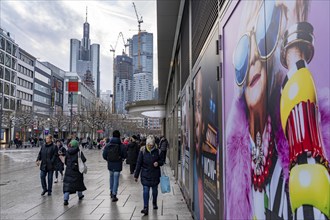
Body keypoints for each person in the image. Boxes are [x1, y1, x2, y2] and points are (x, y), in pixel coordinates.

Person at [225, 1, 329, 219]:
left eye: (264, 36)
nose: (253, 56)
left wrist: (294, 52)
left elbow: (313, 210)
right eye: (244, 49)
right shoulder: (236, 159)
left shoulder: (305, 128)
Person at [134, 135, 164, 216]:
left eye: (152, 145)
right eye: (149, 145)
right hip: (145, 174)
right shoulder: (142, 151)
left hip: (155, 174)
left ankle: (154, 202)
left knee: (154, 191)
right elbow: (139, 163)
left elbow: (162, 161)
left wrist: (158, 163)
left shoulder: (158, 151)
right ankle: (145, 207)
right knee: (146, 190)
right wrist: (136, 175)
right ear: (146, 144)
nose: (150, 146)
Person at [102, 130, 127, 202]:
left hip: (110, 164)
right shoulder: (121, 145)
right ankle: (114, 194)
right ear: (119, 136)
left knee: (111, 178)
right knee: (116, 179)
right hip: (118, 164)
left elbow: (104, 155)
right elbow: (125, 155)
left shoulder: (108, 145)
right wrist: (121, 158)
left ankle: (111, 191)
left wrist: (108, 159)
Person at [63, 140, 87, 206]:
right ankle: (80, 195)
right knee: (79, 184)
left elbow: (65, 162)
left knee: (67, 186)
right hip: (77, 171)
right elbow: (84, 160)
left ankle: (65, 199)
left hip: (69, 171)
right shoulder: (79, 152)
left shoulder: (67, 152)